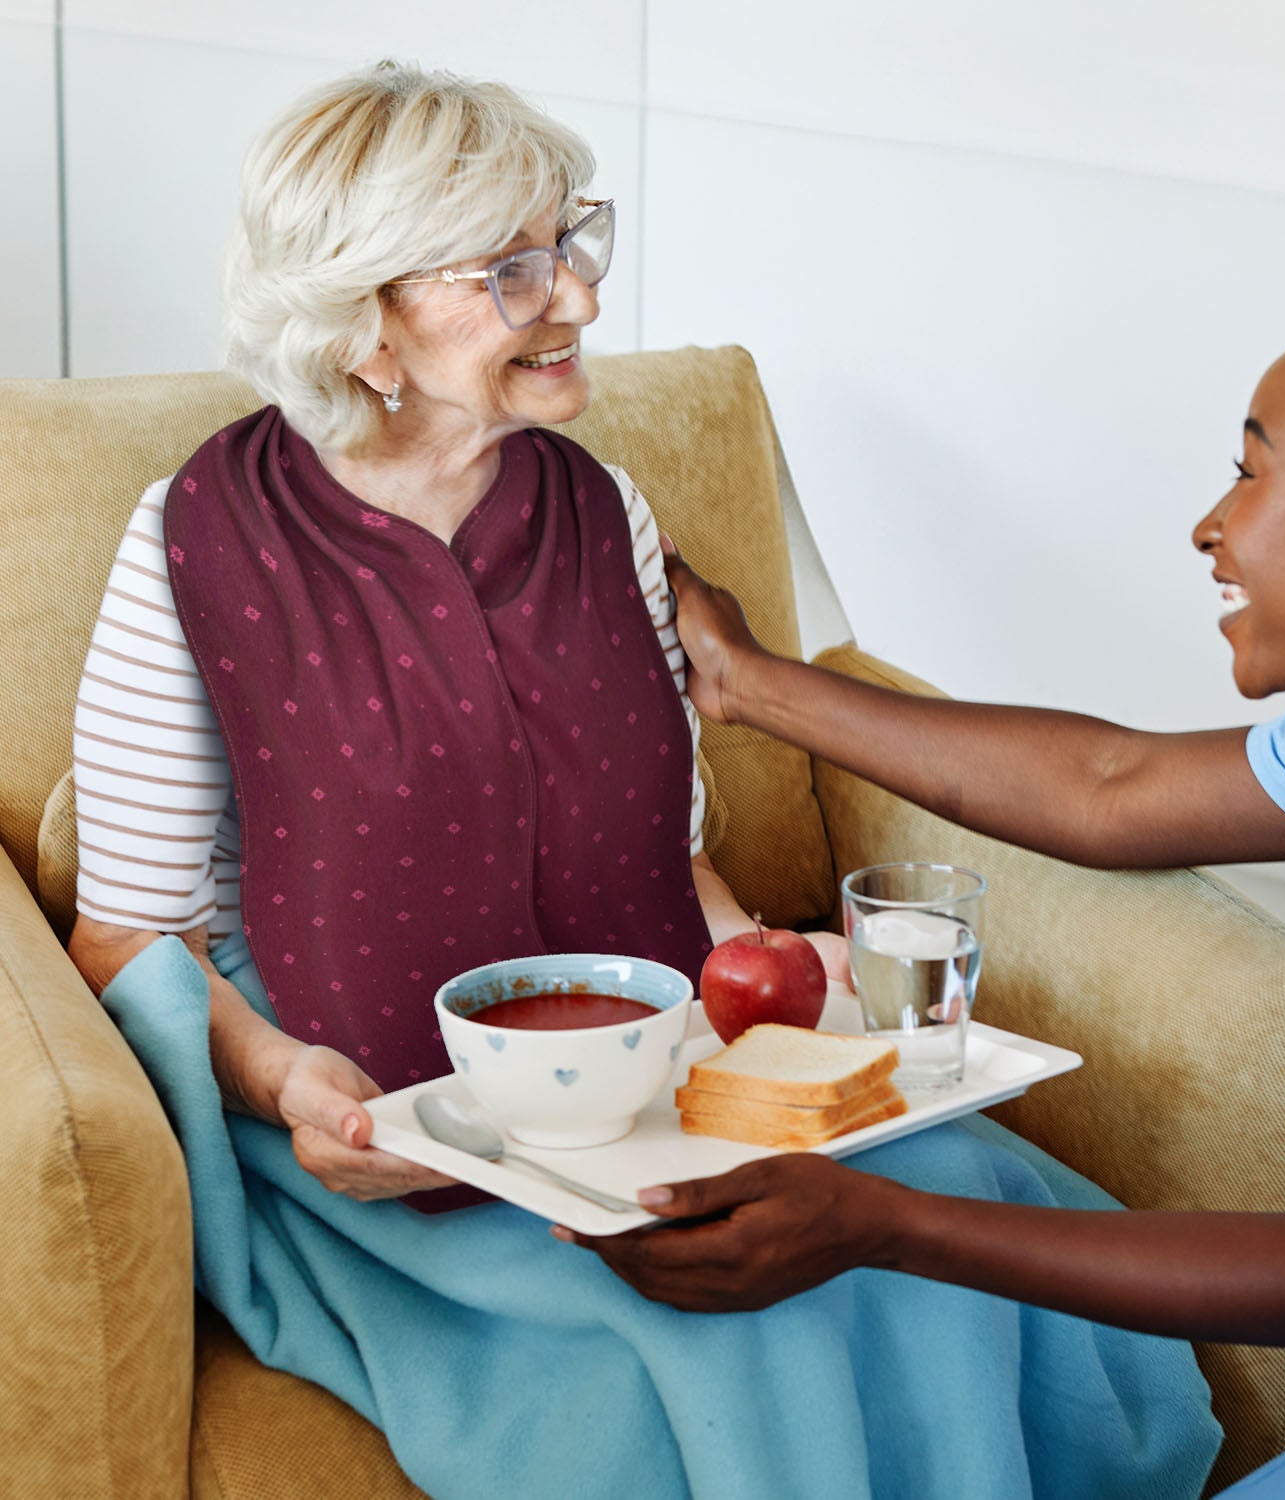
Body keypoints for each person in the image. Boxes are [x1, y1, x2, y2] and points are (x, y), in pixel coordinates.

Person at [64, 63, 1220, 1500]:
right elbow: (131, 935)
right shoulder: (192, 542)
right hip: (412, 1123)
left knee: (956, 1232)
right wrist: (288, 1080)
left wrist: (769, 975)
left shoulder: (602, 507)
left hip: (672, 1072)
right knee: (737, 1332)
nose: (582, 301)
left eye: (574, 243)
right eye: (515, 271)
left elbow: (667, 860)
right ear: (367, 327)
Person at [562, 130, 1285, 1498]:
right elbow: (1107, 789)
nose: (1210, 527)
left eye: (1251, 469)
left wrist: (874, 1221)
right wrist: (754, 688)